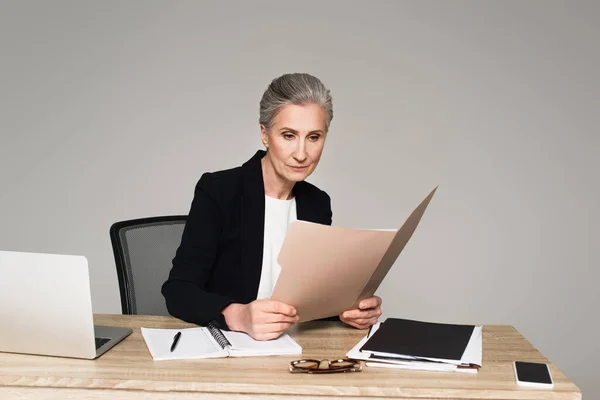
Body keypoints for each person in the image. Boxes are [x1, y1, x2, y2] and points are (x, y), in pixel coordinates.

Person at [162, 73, 382, 340]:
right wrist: (237, 315)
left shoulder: (317, 203)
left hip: (295, 349)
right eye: (289, 135)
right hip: (232, 352)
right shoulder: (219, 191)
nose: (301, 153)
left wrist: (348, 311)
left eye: (314, 137)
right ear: (264, 134)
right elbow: (178, 291)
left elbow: (312, 298)